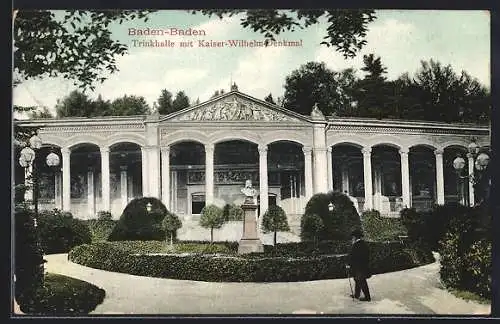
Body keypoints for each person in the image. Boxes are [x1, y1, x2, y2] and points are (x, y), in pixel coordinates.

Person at [346, 228, 371, 301]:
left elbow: (353, 256)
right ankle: (357, 294)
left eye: (353, 237)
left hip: (359, 266)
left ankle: (367, 297)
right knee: (357, 280)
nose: (352, 238)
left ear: (355, 237)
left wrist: (349, 264)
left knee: (361, 281)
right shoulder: (363, 244)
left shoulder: (357, 245)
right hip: (361, 266)